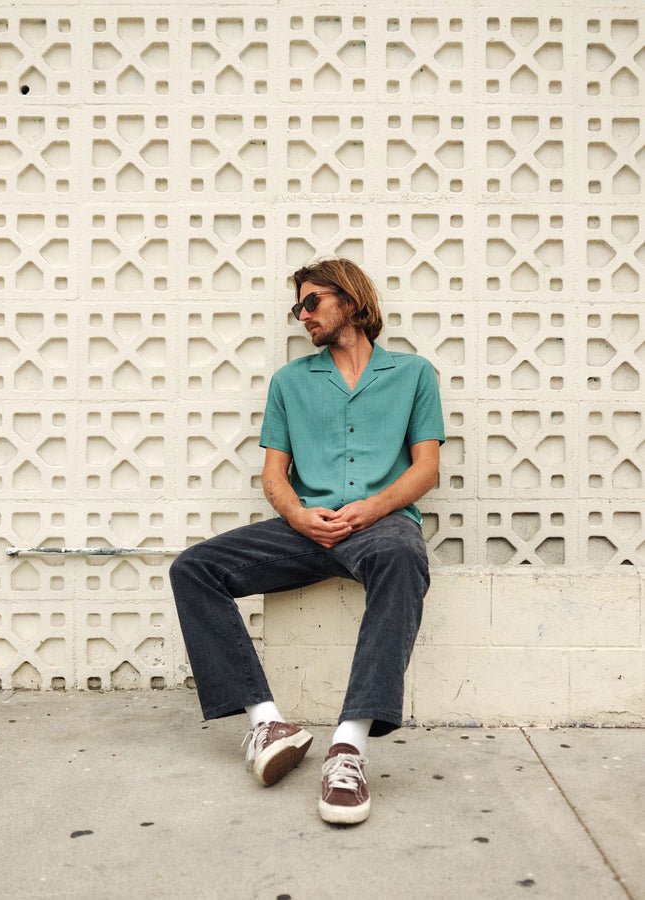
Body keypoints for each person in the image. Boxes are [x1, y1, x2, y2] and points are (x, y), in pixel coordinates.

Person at [170, 258, 444, 825]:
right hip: (306, 528)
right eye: (298, 307)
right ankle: (268, 723)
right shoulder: (289, 382)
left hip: (380, 526)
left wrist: (373, 507)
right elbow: (274, 475)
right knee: (193, 568)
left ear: (351, 299)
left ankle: (348, 747)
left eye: (312, 301)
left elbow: (426, 469)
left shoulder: (415, 374)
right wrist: (298, 516)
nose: (303, 315)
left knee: (402, 554)